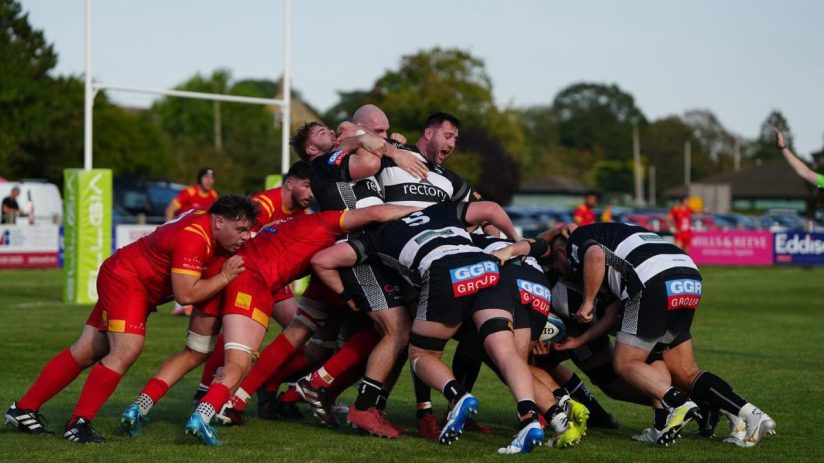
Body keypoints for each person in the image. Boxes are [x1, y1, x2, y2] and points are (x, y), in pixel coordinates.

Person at [4, 195, 257, 443]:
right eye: (241, 229)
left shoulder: (205, 223)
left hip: (128, 276)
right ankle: (78, 424)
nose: (245, 236)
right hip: (128, 281)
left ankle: (23, 409)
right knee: (127, 349)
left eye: (248, 230)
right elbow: (186, 294)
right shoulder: (194, 237)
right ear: (219, 221)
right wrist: (224, 277)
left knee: (87, 349)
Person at [311, 201, 555, 454]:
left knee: (421, 354)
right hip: (487, 268)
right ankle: (529, 419)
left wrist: (345, 296)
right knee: (506, 353)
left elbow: (322, 261)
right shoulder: (440, 209)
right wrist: (515, 239)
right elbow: (491, 208)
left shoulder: (376, 235)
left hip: (445, 271)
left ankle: (459, 396)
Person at [179, 203, 420, 446]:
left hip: (255, 274)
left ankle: (242, 398)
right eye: (305, 185)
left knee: (305, 338)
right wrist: (427, 210)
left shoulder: (296, 219)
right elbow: (373, 213)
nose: (308, 193)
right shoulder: (326, 220)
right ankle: (221, 404)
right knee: (385, 331)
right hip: (258, 279)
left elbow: (263, 232)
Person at [547, 223, 776, 447]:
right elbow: (614, 307)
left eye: (556, 264)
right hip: (688, 277)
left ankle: (680, 404)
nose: (557, 269)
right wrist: (580, 340)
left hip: (649, 283)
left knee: (626, 363)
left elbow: (594, 255)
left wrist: (587, 303)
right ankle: (747, 413)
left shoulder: (577, 239)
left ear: (561, 251)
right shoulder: (618, 231)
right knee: (685, 371)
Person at [167, 168, 220, 316]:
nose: (209, 180)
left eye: (212, 178)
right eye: (206, 177)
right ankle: (181, 306)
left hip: (200, 238)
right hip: (183, 238)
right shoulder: (190, 192)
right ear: (199, 179)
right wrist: (169, 227)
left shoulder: (213, 195)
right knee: (182, 269)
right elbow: (171, 208)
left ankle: (187, 305)